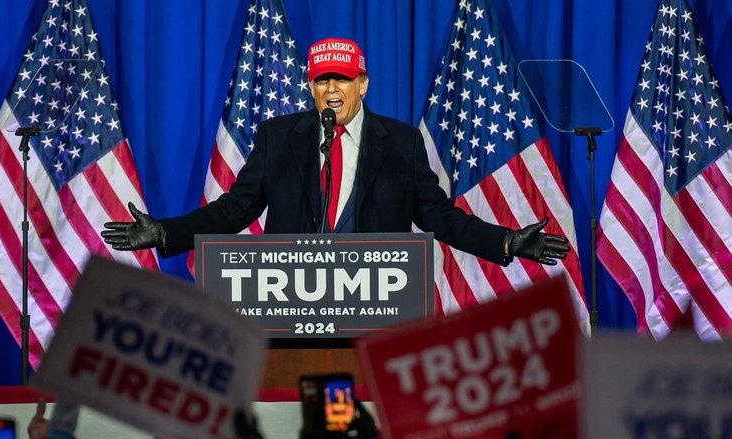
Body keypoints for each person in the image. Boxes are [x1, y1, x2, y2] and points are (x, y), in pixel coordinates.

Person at [101, 37, 569, 271]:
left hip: (375, 311)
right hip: (289, 311)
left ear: (361, 84)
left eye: (341, 79)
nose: (331, 90)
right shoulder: (279, 136)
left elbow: (439, 216)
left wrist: (505, 243)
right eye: (322, 80)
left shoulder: (401, 142)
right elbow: (233, 210)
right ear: (310, 85)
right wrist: (166, 232)